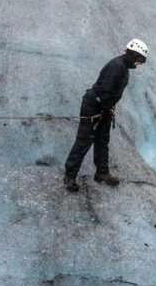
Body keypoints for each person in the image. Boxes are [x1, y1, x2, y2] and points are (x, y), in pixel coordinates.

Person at [63, 38, 148, 192]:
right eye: (140, 61)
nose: (140, 64)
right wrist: (102, 110)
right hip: (94, 106)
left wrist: (107, 110)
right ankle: (70, 176)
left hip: (104, 107)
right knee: (84, 141)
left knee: (102, 140)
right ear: (134, 56)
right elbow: (105, 91)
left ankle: (102, 172)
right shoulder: (117, 66)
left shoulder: (123, 66)